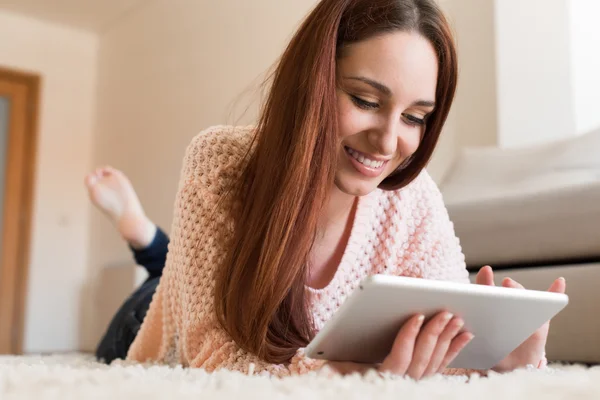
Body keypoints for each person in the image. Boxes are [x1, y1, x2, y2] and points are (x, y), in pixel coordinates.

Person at [88, 0, 566, 380]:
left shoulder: (413, 196)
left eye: (415, 117)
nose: (387, 141)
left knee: (173, 269)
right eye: (365, 100)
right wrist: (338, 375)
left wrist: (503, 361)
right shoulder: (221, 160)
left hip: (222, 308)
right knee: (161, 282)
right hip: (153, 324)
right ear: (312, 83)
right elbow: (210, 358)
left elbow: (442, 354)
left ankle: (147, 239)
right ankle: (142, 235)